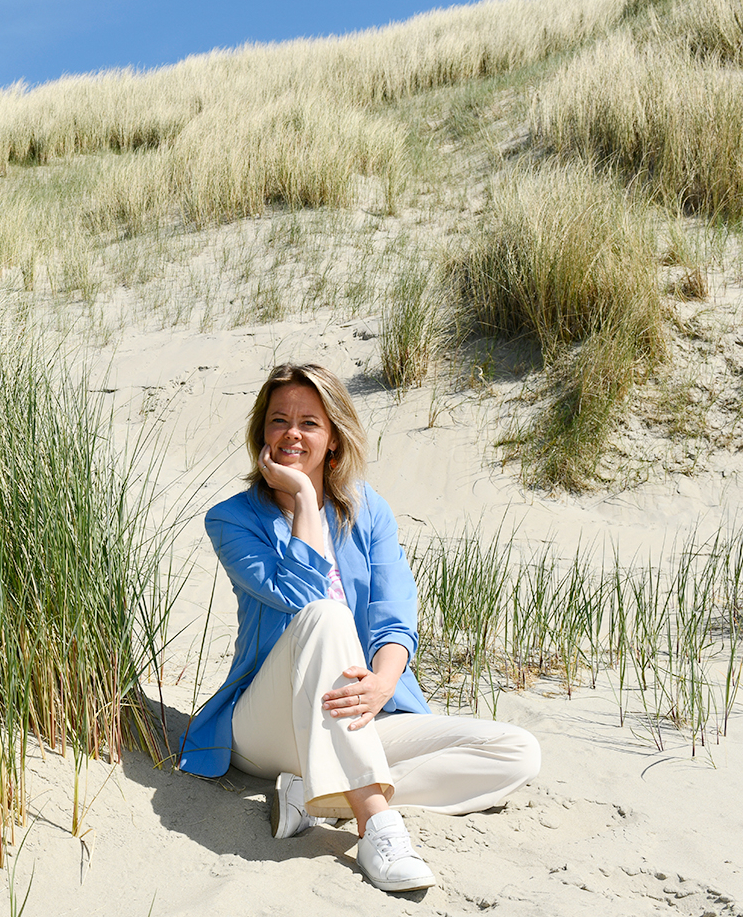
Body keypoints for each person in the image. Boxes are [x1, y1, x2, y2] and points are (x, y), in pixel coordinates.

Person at [178, 363, 540, 893]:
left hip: (358, 714)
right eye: (279, 420)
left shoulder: (370, 511)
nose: (292, 433)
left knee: (516, 753)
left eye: (309, 422)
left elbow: (397, 617)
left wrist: (383, 684)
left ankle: (313, 793)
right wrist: (303, 497)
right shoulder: (232, 520)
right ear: (262, 433)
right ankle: (375, 823)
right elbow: (302, 600)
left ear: (333, 438)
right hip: (265, 725)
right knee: (327, 615)